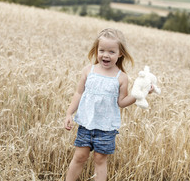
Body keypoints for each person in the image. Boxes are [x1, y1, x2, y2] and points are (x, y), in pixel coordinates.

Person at [64, 28, 151, 181]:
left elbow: (122, 102)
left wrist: (140, 94)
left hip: (106, 128)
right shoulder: (88, 70)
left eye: (111, 52)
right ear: (96, 50)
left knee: (100, 159)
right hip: (86, 123)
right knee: (79, 156)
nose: (106, 55)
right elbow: (79, 93)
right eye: (102, 50)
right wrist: (69, 113)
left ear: (120, 54)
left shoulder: (121, 77)